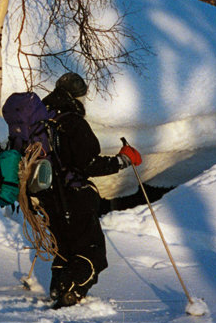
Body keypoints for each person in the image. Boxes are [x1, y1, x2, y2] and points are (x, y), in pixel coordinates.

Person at [39, 71, 141, 308]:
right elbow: (88, 164)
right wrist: (122, 161)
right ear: (76, 97)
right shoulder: (72, 123)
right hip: (73, 196)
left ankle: (59, 288)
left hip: (47, 194)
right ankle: (70, 292)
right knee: (91, 251)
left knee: (64, 247)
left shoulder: (44, 120)